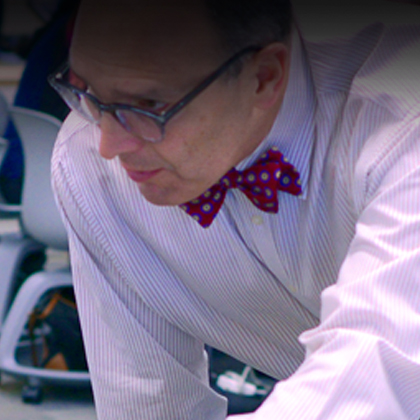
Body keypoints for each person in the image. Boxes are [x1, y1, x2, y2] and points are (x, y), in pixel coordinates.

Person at [50, 0, 420, 418]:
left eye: (148, 106)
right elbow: (147, 399)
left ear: (264, 78)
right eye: (88, 95)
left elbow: (378, 368)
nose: (108, 145)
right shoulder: (89, 166)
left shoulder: (401, 121)